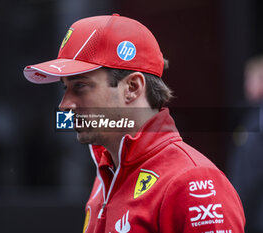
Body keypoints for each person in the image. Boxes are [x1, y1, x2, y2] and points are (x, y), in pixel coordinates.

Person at [23, 14, 245, 233]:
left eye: (80, 86)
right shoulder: (107, 173)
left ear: (132, 88)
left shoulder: (193, 181)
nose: (64, 105)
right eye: (65, 88)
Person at [228, 56, 263, 233]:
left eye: (250, 79)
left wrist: (237, 210)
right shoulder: (251, 116)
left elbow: (249, 173)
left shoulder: (257, 119)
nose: (246, 86)